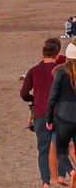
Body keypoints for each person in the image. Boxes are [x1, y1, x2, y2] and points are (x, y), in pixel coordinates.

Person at [22, 37, 67, 186]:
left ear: (42, 55)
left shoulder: (34, 70)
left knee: (43, 150)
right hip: (59, 113)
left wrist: (33, 99)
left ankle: (46, 183)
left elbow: (23, 93)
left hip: (41, 114)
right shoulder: (60, 70)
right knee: (61, 145)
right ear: (56, 56)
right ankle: (60, 176)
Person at [47, 43, 76, 187]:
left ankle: (71, 172)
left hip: (64, 116)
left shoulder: (61, 71)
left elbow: (53, 96)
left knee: (61, 150)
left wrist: (48, 118)